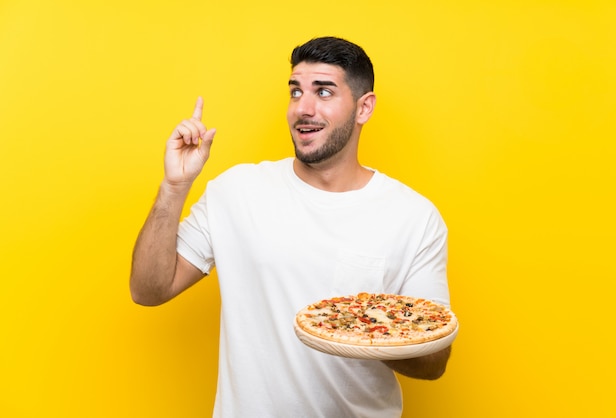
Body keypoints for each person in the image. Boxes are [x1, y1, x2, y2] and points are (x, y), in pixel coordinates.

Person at [130, 36, 452, 418]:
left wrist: (361, 325)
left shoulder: (414, 218)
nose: (304, 108)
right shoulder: (236, 192)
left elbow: (434, 362)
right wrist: (174, 187)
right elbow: (148, 289)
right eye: (296, 91)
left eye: (324, 91)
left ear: (364, 108)